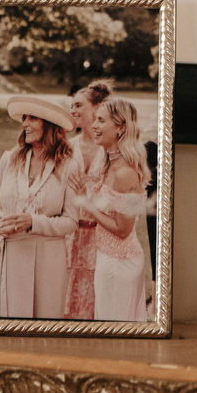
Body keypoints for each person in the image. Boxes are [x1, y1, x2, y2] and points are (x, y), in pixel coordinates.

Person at [0, 95, 79, 320]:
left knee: (41, 329)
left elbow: (71, 221)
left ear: (49, 124)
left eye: (32, 118)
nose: (25, 123)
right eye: (24, 118)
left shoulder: (68, 167)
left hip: (46, 262)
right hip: (7, 257)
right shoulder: (9, 159)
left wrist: (33, 222)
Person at [79, 97, 152, 322]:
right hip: (107, 258)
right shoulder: (109, 163)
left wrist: (88, 204)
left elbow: (123, 229)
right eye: (95, 120)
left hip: (120, 265)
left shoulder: (126, 173)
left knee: (116, 328)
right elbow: (112, 214)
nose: (94, 126)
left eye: (101, 121)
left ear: (120, 127)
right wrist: (91, 220)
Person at [64, 79, 113, 320]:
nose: (72, 111)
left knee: (95, 298)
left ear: (96, 108)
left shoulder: (110, 150)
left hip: (99, 234)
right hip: (68, 233)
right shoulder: (65, 147)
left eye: (78, 105)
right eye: (71, 106)